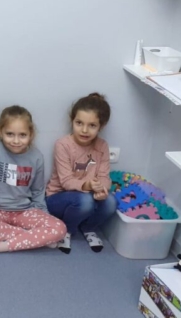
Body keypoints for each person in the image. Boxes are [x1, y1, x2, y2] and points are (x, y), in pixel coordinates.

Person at [0, 106, 66, 258]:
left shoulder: (36, 157)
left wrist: (43, 214)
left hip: (24, 210)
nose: (16, 141)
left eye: (22, 135)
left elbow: (38, 190)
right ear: (0, 131)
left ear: (31, 134)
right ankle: (34, 238)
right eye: (10, 134)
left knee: (59, 229)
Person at [45, 93, 117, 254]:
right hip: (57, 198)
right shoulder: (63, 145)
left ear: (101, 126)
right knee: (85, 201)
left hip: (88, 196)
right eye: (79, 123)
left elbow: (104, 176)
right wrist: (87, 185)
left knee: (111, 202)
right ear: (72, 120)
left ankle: (89, 228)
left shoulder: (102, 146)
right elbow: (66, 181)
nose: (84, 130)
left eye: (92, 125)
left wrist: (102, 189)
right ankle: (67, 230)